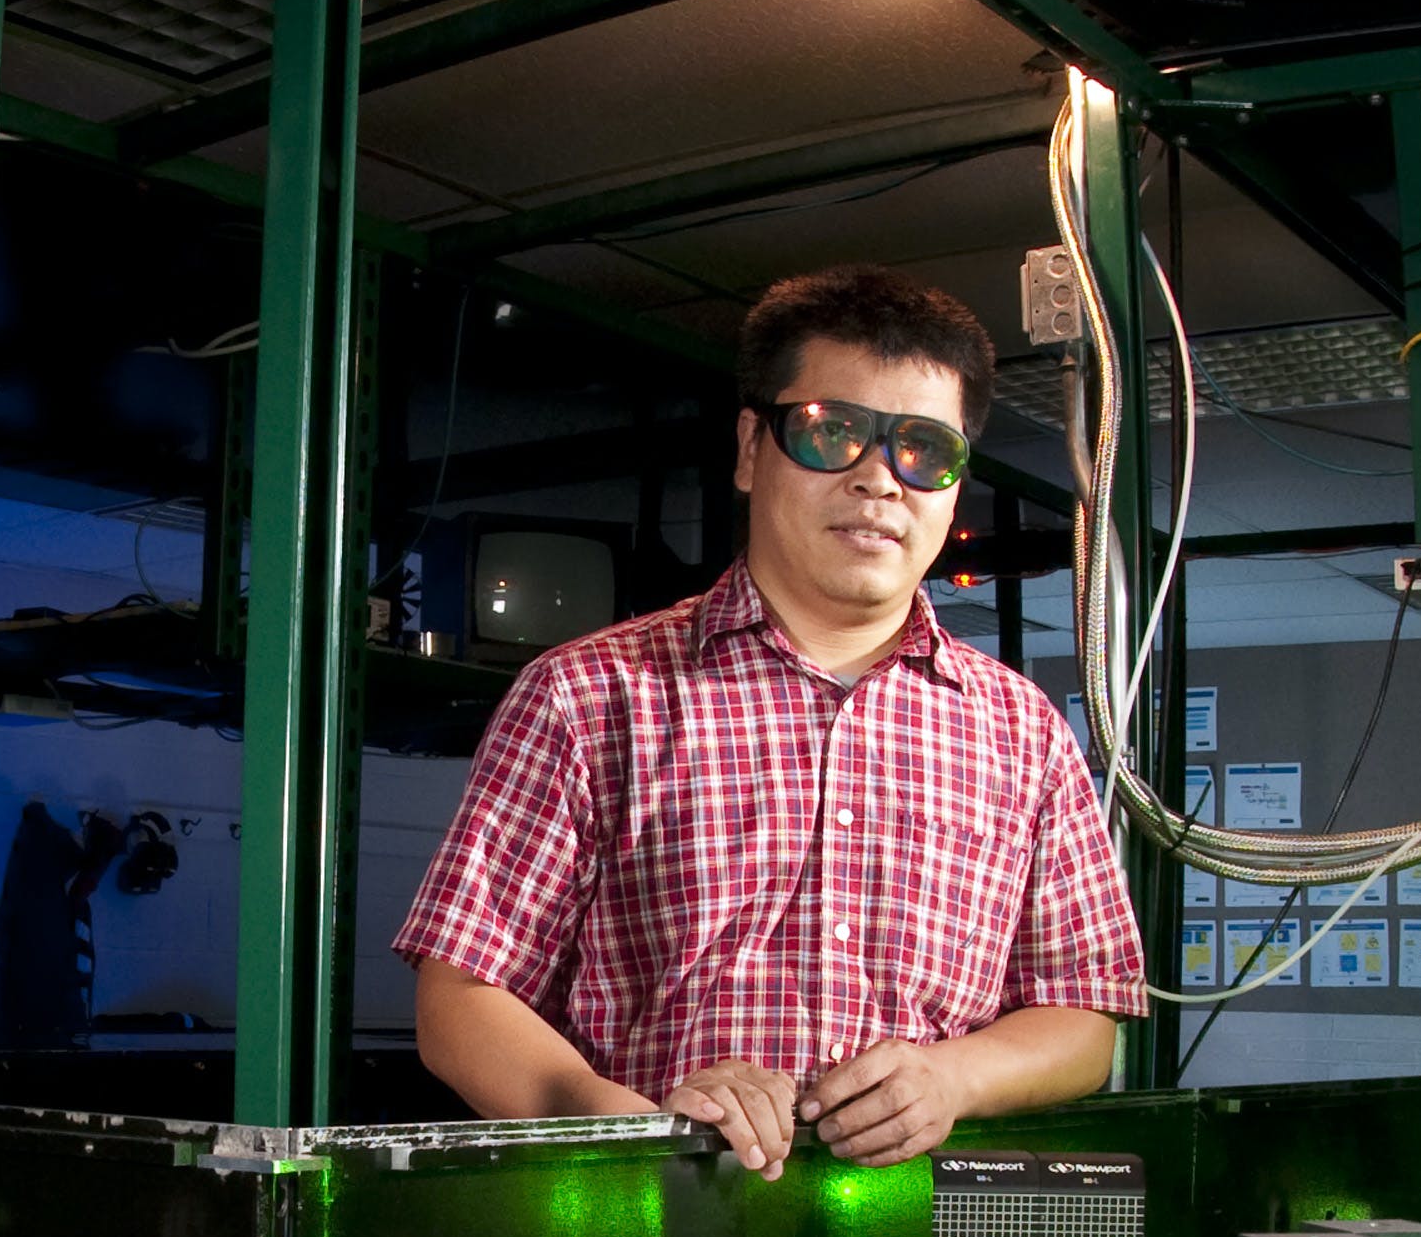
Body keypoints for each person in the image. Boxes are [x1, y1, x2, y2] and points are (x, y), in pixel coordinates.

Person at [398, 264, 1146, 1173]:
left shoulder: (1023, 734)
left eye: (925, 450)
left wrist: (955, 1078)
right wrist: (640, 1133)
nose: (880, 481)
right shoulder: (591, 693)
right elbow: (460, 999)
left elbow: (1084, 1016)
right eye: (833, 433)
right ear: (752, 448)